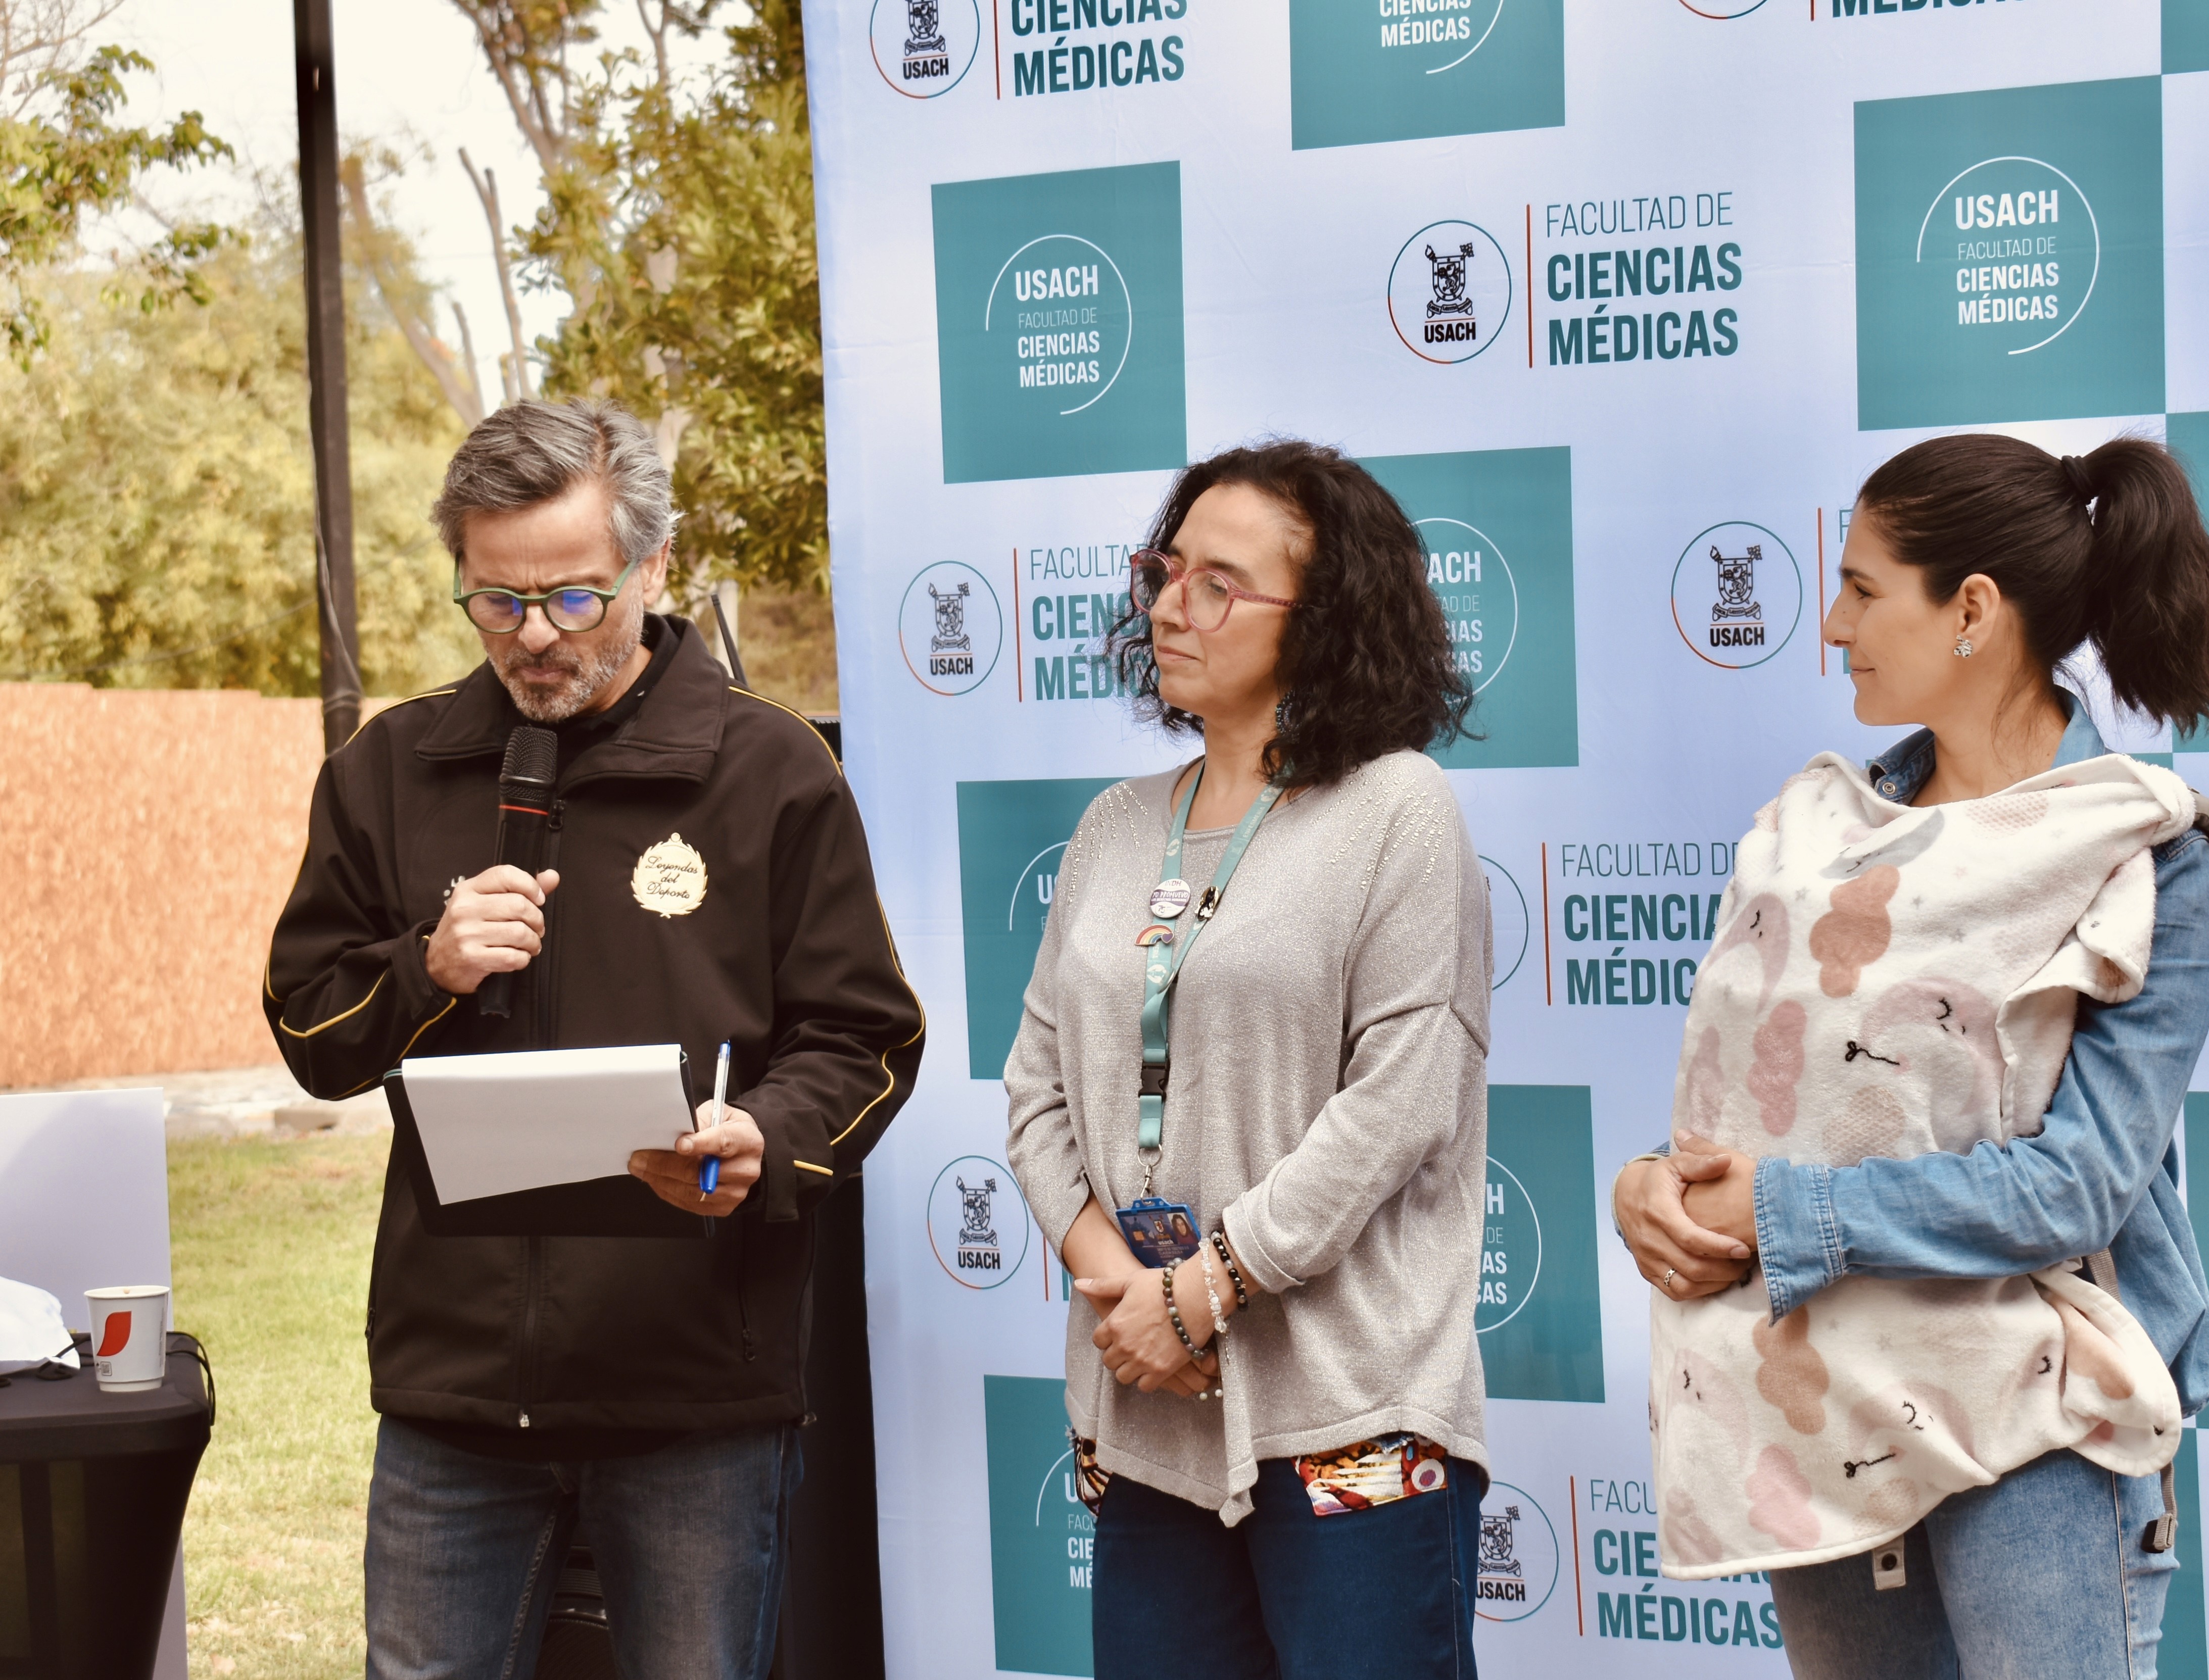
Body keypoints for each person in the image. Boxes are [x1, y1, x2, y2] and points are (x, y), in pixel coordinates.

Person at [263, 399, 925, 1680]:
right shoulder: (389, 769)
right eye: (495, 603)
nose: (533, 638)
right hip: (453, 1397)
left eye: (571, 600)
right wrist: (425, 966)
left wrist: (762, 1140)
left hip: (693, 1397)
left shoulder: (769, 771)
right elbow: (312, 1030)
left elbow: (865, 1040)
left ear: (652, 565)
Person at [1612, 433, 2209, 1680]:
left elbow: (2076, 1188)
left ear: (1970, 609)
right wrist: (1656, 1184)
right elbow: (1768, 1106)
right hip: (1815, 1400)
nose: (1833, 624)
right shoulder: (1814, 839)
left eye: (1862, 588)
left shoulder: (2137, 850)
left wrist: (1786, 1213)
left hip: (2032, 1425)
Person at [1003, 440, 1494, 1679]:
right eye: (1165, 571)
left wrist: (1203, 1291)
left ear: (1320, 621)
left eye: (1217, 582)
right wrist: (1122, 1287)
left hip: (1348, 1415)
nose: (1171, 605)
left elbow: (1397, 1104)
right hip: (1149, 1407)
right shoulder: (1115, 825)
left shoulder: (1397, 808)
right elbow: (1034, 1085)